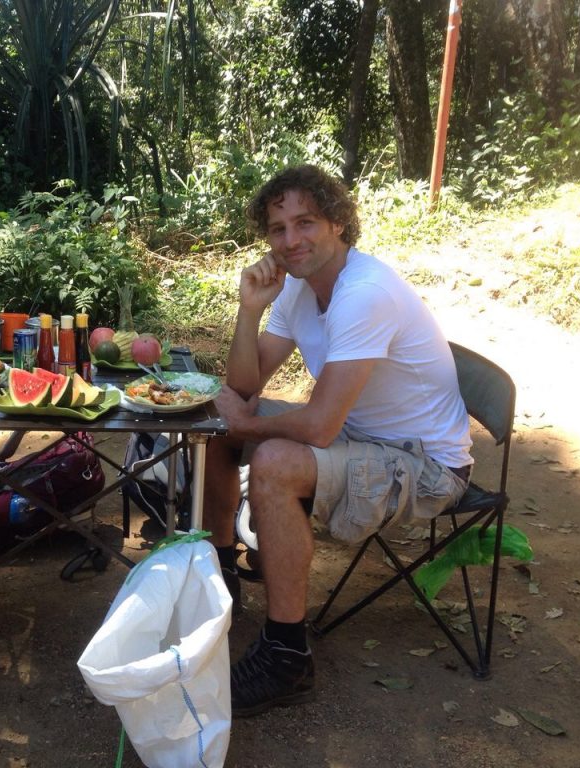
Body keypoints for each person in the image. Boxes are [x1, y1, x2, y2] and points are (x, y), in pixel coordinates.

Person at [205, 164, 473, 717]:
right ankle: (222, 574)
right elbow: (243, 386)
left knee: (276, 460)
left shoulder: (364, 293)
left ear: (338, 224)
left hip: (425, 465)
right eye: (278, 229)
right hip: (363, 437)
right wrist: (249, 309)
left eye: (306, 222)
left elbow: (320, 425)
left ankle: (285, 656)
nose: (292, 240)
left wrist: (247, 423)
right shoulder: (299, 288)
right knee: (215, 428)